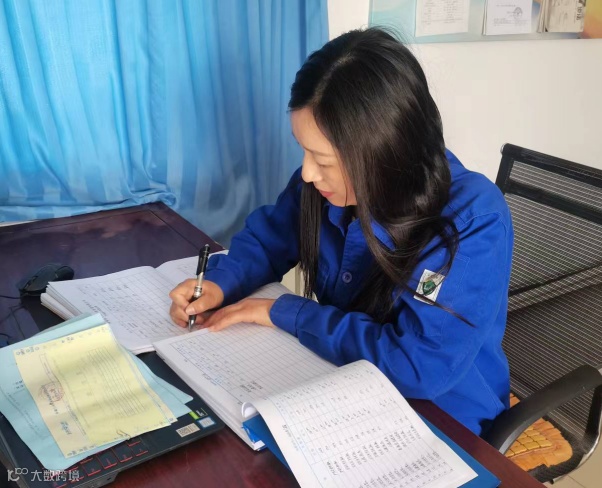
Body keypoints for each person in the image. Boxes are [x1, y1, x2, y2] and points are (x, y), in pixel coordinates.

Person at [169, 28, 513, 436]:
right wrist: (218, 284)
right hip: (345, 385)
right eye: (303, 150)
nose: (308, 173)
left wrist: (284, 312)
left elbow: (419, 365)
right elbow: (268, 239)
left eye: (323, 160)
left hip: (443, 419)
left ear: (384, 151)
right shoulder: (323, 186)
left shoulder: (472, 219)